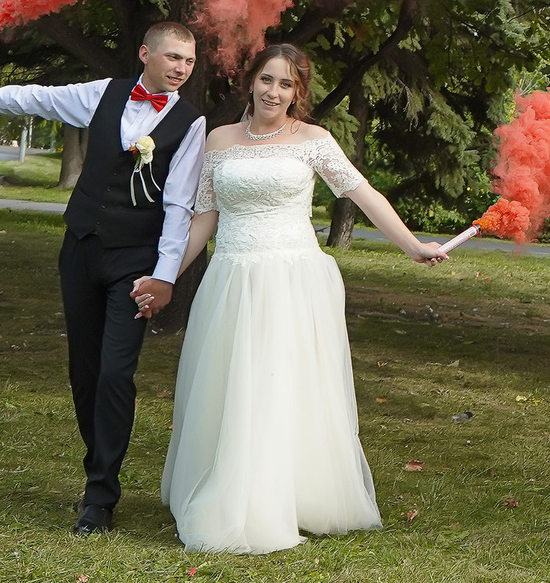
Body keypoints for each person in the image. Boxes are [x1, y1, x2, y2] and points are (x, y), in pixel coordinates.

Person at [160, 43, 447, 554]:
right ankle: (235, 491)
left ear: (299, 92)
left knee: (282, 385)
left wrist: (412, 246)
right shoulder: (218, 139)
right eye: (267, 79)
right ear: (251, 81)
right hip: (232, 279)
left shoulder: (314, 140)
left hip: (292, 279)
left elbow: (363, 194)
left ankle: (290, 496)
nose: (274, 92)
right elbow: (204, 218)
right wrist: (164, 278)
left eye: (286, 84)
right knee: (234, 384)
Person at [0, 23, 207, 535]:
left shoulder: (191, 122)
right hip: (81, 249)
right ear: (145, 53)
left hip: (135, 264)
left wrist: (164, 277)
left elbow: (180, 205)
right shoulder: (104, 93)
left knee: (115, 374)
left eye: (188, 61)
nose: (181, 68)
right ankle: (99, 471)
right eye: (173, 57)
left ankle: (100, 496)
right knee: (85, 372)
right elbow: (39, 99)